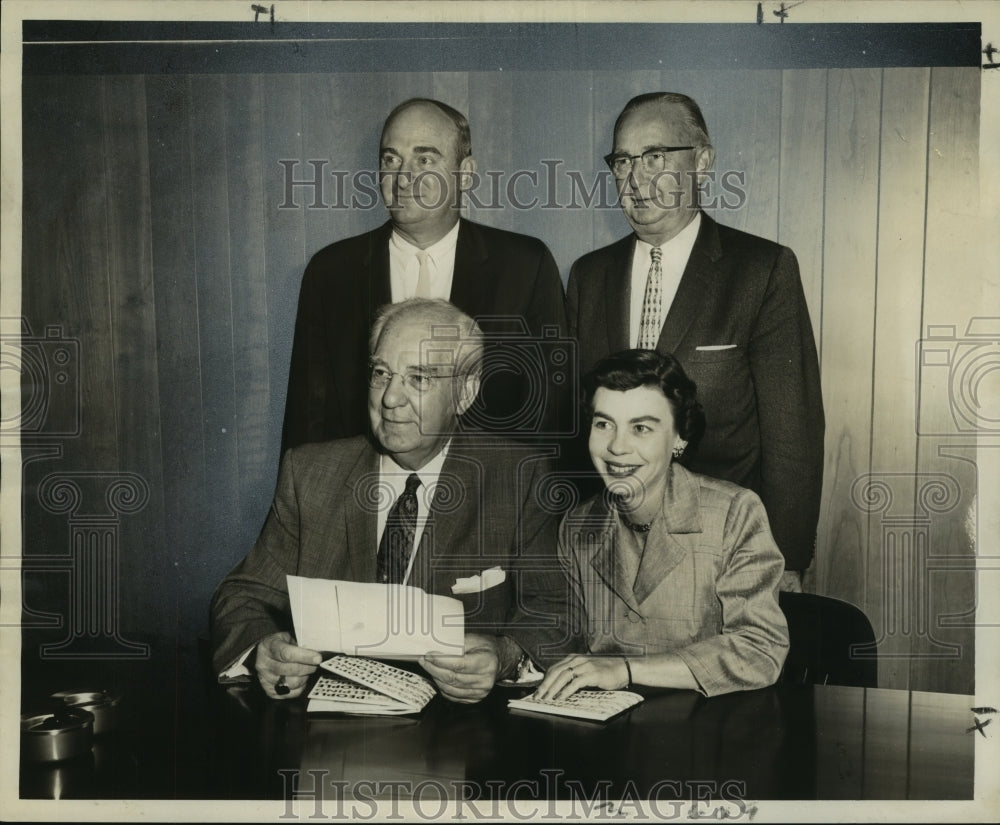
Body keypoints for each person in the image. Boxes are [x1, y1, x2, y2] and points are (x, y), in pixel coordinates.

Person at [212, 299, 576, 703]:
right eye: (381, 373)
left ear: (465, 392)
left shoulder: (518, 478)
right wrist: (262, 649)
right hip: (330, 736)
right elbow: (241, 595)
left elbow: (557, 610)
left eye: (419, 378)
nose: (390, 399)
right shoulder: (311, 472)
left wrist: (505, 654)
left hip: (460, 738)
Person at [566, 92, 824, 590]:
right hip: (609, 551)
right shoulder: (589, 275)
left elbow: (793, 430)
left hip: (724, 550)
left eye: (656, 157)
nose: (636, 179)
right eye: (623, 161)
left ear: (702, 162)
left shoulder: (761, 270)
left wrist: (786, 561)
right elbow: (576, 427)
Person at [282, 97, 569, 452]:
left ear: (465, 173)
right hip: (364, 499)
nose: (404, 177)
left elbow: (552, 415)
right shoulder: (331, 273)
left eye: (425, 159)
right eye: (391, 160)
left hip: (487, 496)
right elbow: (308, 424)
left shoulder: (524, 266)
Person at [535, 350, 788, 701]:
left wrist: (625, 669)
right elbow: (566, 641)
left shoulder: (734, 513)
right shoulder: (577, 526)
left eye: (641, 428)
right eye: (603, 424)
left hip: (707, 731)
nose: (616, 447)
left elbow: (760, 652)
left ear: (679, 438)